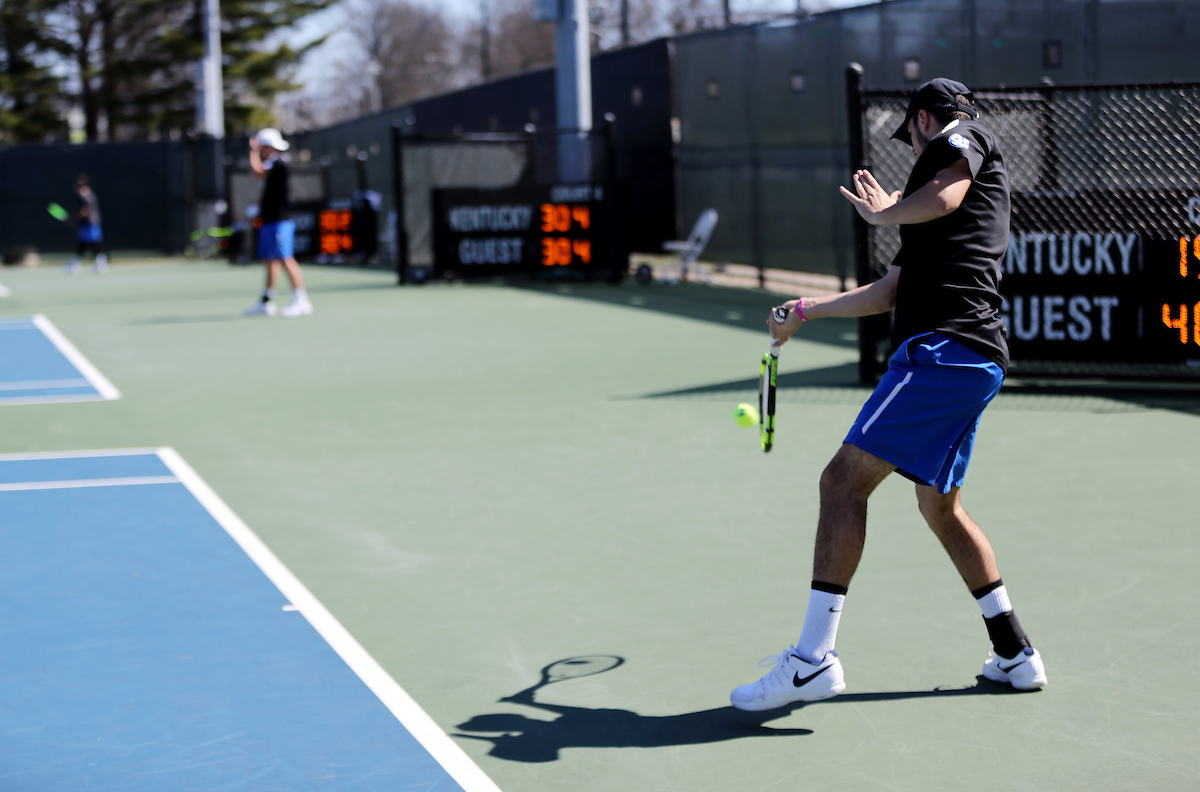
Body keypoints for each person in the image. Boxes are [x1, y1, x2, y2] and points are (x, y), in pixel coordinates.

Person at [730, 78, 1047, 712]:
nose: (913, 148)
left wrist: (884, 213)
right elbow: (888, 292)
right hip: (971, 358)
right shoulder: (934, 217)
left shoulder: (962, 141)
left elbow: (946, 191)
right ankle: (1015, 652)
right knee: (940, 508)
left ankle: (812, 661)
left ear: (927, 119)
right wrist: (807, 310)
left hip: (943, 351)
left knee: (840, 483)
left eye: (913, 135)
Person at [244, 128, 312, 317]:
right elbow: (266, 192)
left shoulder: (279, 163)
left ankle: (301, 300)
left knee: (285, 258)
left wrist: (253, 151)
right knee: (270, 261)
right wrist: (254, 210)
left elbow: (256, 172)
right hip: (268, 220)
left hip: (281, 221)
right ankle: (266, 302)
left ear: (268, 147)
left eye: (262, 147)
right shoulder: (271, 165)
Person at [66, 175, 107, 274]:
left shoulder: (85, 196)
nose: (77, 187)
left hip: (90, 224)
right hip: (88, 223)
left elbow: (85, 211)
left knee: (95, 243)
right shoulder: (90, 195)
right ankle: (76, 263)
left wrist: (72, 219)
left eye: (79, 185)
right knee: (83, 244)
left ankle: (100, 264)